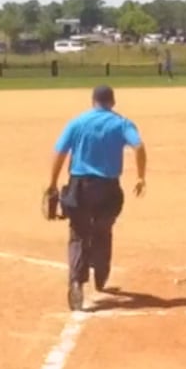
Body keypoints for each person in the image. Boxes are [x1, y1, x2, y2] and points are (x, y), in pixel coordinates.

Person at [47, 85, 147, 311]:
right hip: (108, 187)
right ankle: (101, 273)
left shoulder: (77, 122)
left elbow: (60, 152)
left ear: (93, 101)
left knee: (79, 233)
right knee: (103, 230)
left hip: (79, 186)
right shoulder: (121, 123)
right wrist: (141, 177)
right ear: (113, 102)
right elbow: (139, 146)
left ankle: (76, 281)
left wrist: (52, 184)